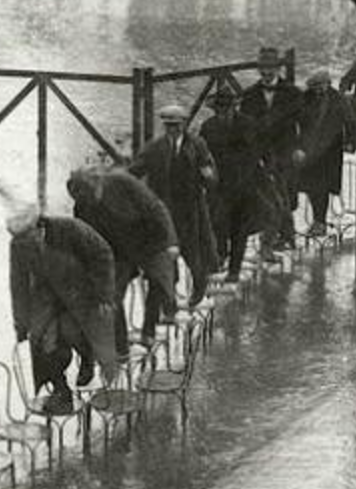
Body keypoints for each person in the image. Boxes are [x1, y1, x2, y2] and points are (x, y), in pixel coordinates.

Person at [7, 206, 117, 411]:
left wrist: (103, 295)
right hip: (47, 294)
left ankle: (88, 358)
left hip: (81, 289)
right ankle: (60, 388)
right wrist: (21, 323)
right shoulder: (18, 245)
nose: (26, 245)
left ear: (40, 227)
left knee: (72, 331)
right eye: (22, 242)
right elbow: (18, 284)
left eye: (30, 239)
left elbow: (102, 255)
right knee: (40, 340)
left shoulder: (70, 229)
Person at [67, 165, 179, 356]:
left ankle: (149, 330)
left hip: (149, 238)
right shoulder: (82, 207)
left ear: (98, 184)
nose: (92, 202)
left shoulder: (122, 182)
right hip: (117, 251)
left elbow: (155, 207)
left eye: (93, 196)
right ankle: (122, 350)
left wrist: (171, 242)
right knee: (111, 297)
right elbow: (84, 242)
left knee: (161, 281)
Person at [129, 103, 218, 319]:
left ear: (184, 125)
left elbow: (210, 171)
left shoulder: (197, 145)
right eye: (168, 126)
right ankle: (168, 304)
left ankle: (199, 286)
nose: (173, 130)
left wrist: (208, 176)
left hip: (189, 209)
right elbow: (136, 170)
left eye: (176, 125)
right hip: (163, 211)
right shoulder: (154, 147)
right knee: (164, 259)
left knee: (192, 254)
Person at [239, 47, 304, 249]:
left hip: (286, 150)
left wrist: (300, 148)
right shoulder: (249, 94)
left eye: (271, 68)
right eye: (263, 68)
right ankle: (282, 235)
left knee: (285, 191)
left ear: (278, 69)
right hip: (261, 152)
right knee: (270, 194)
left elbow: (304, 123)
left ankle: (283, 235)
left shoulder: (293, 92)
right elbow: (244, 126)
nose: (267, 73)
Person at [200, 87, 265, 280]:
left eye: (226, 108)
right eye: (219, 109)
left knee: (239, 228)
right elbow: (203, 154)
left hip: (243, 183)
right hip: (218, 185)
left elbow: (254, 153)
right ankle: (220, 258)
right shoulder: (208, 127)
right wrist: (206, 172)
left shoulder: (247, 125)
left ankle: (234, 270)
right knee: (218, 224)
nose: (223, 112)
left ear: (233, 108)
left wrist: (244, 176)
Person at [294, 70, 355, 234]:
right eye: (315, 87)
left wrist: (350, 142)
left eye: (321, 86)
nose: (318, 90)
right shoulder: (305, 98)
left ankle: (320, 222)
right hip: (309, 148)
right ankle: (318, 221)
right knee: (311, 187)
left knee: (323, 187)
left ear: (328, 84)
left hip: (330, 150)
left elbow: (349, 121)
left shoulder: (338, 99)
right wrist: (297, 145)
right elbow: (296, 120)